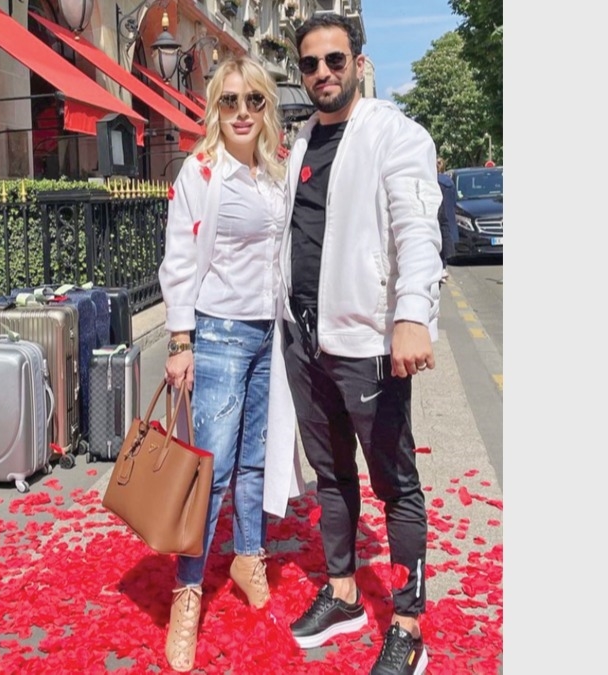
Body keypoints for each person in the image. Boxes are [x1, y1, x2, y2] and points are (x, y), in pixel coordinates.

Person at [280, 12, 442, 675]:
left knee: (395, 484)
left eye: (335, 60)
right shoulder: (299, 143)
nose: (323, 73)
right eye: (311, 63)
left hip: (367, 339)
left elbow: (417, 229)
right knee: (331, 474)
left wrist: (412, 314)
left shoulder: (394, 134)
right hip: (304, 338)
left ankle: (407, 625)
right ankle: (344, 592)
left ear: (359, 63)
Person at [156, 55, 300, 673]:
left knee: (255, 460)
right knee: (209, 471)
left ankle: (247, 556)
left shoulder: (277, 172)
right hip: (217, 332)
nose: (242, 112)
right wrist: (180, 341)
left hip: (270, 333)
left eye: (254, 101)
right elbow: (179, 257)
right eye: (230, 101)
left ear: (267, 107)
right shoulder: (202, 171)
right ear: (215, 107)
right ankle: (187, 592)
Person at [436, 157, 457, 284]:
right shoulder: (449, 182)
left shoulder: (434, 181)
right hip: (449, 214)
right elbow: (454, 200)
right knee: (445, 239)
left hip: (439, 214)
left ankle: (440, 268)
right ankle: (443, 267)